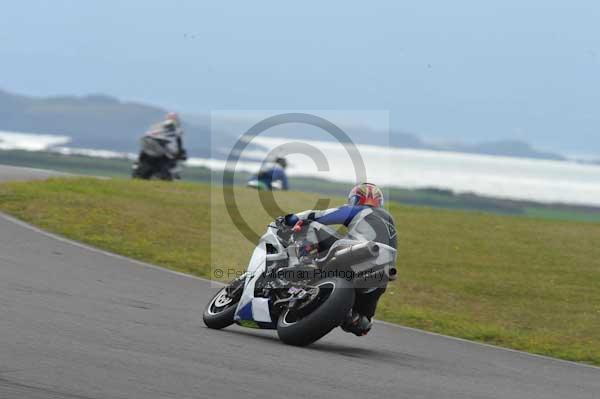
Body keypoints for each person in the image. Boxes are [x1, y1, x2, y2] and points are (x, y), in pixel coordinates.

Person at [281, 182, 397, 336]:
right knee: (364, 323)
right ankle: (353, 317)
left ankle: (301, 265)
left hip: (358, 251)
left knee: (311, 226)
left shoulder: (358, 209)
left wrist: (290, 219)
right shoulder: (390, 221)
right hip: (381, 271)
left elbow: (318, 215)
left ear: (354, 199)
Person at [135, 113, 187, 179]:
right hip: (155, 146)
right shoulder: (170, 125)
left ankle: (140, 170)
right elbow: (178, 140)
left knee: (144, 162)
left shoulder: (158, 126)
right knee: (164, 160)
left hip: (147, 144)